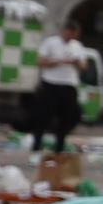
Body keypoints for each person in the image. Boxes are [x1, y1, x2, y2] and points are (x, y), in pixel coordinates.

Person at [34, 19, 87, 152]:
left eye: (74, 34)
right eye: (70, 33)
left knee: (67, 118)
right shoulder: (51, 42)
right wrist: (57, 62)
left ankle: (59, 148)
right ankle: (36, 147)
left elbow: (83, 67)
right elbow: (39, 62)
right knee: (43, 117)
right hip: (51, 83)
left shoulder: (77, 46)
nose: (71, 36)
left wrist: (76, 62)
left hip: (69, 85)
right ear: (65, 31)